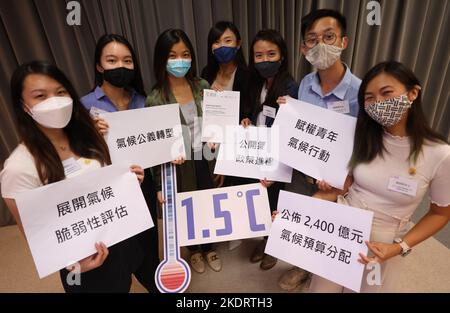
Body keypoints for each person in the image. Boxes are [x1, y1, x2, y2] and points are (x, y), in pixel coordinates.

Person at [0, 61, 151, 292]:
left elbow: (106, 181)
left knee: (130, 278)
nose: (54, 101)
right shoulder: (19, 167)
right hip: (86, 262)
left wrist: (129, 180)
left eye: (60, 92)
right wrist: (73, 263)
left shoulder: (88, 136)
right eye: (40, 96)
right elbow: (36, 235)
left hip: (119, 238)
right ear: (23, 105)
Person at [307, 61, 450, 292]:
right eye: (370, 98)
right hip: (341, 228)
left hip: (383, 244)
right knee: (322, 289)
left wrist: (400, 247)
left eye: (387, 93)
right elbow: (344, 187)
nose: (379, 103)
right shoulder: (363, 135)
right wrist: (298, 211)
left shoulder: (439, 154)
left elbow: (440, 213)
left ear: (412, 93)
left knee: (370, 289)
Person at [277, 9, 362, 291]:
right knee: (302, 226)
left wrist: (342, 179)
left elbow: (365, 144)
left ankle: (322, 275)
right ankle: (301, 268)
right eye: (312, 39)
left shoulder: (360, 92)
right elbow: (302, 128)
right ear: (304, 48)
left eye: (329, 37)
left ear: (344, 41)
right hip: (303, 174)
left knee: (328, 233)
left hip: (340, 182)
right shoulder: (304, 84)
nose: (320, 45)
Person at [80, 34, 160, 292]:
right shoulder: (85, 106)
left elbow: (155, 145)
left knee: (149, 244)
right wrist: (87, 133)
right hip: (110, 192)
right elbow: (75, 158)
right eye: (112, 60)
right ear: (99, 66)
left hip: (142, 184)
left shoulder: (142, 100)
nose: (121, 67)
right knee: (118, 250)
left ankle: (154, 280)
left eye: (127, 61)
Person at [145, 29, 222, 274]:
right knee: (186, 209)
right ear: (162, 60)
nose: (180, 60)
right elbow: (155, 149)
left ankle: (209, 247)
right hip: (178, 165)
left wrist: (218, 160)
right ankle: (194, 251)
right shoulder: (155, 98)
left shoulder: (202, 85)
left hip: (205, 157)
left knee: (208, 204)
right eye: (172, 55)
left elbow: (214, 126)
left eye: (185, 54)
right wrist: (159, 185)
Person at [242, 29, 298, 271]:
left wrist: (292, 109)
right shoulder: (256, 83)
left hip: (278, 158)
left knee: (275, 203)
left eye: (271, 54)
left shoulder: (290, 87)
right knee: (260, 203)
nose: (265, 60)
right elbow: (253, 113)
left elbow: (292, 132)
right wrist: (246, 120)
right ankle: (265, 241)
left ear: (282, 56)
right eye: (259, 56)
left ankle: (273, 247)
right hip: (257, 153)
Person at [201, 21, 251, 251]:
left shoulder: (247, 74)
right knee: (211, 189)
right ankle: (214, 232)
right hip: (209, 141)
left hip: (234, 143)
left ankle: (237, 231)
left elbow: (248, 111)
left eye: (228, 41)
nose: (222, 46)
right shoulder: (206, 73)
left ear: (238, 44)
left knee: (235, 189)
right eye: (216, 41)